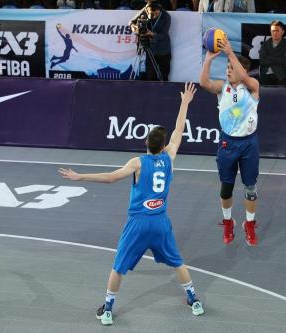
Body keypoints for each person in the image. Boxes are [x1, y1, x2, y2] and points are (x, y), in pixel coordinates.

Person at [58, 83, 204, 326]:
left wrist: (80, 176)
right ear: (163, 144)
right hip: (160, 221)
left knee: (118, 268)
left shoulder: (137, 162)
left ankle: (107, 309)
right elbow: (179, 129)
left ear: (146, 142)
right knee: (178, 262)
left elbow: (111, 178)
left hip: (138, 223)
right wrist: (185, 103)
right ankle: (194, 300)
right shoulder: (169, 157)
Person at [199, 37, 260, 247]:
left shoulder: (253, 87)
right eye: (226, 67)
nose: (228, 70)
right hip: (228, 144)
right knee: (226, 187)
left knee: (250, 188)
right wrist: (208, 60)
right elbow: (203, 83)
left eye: (231, 67)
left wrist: (231, 53)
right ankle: (228, 221)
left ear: (241, 70)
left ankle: (249, 224)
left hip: (249, 144)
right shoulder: (221, 87)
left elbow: (243, 75)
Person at [129, 1, 172, 81]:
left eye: (156, 13)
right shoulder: (145, 10)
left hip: (163, 50)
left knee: (164, 76)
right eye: (151, 14)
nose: (154, 16)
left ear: (160, 10)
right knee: (150, 77)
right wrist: (135, 28)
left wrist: (151, 34)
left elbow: (163, 35)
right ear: (147, 10)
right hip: (150, 49)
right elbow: (131, 22)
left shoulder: (166, 17)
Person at [259, 20, 286, 86]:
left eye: (277, 31)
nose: (274, 33)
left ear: (282, 32)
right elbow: (262, 60)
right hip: (265, 74)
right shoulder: (265, 44)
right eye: (273, 31)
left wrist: (268, 57)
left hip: (282, 75)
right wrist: (278, 59)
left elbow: (285, 61)